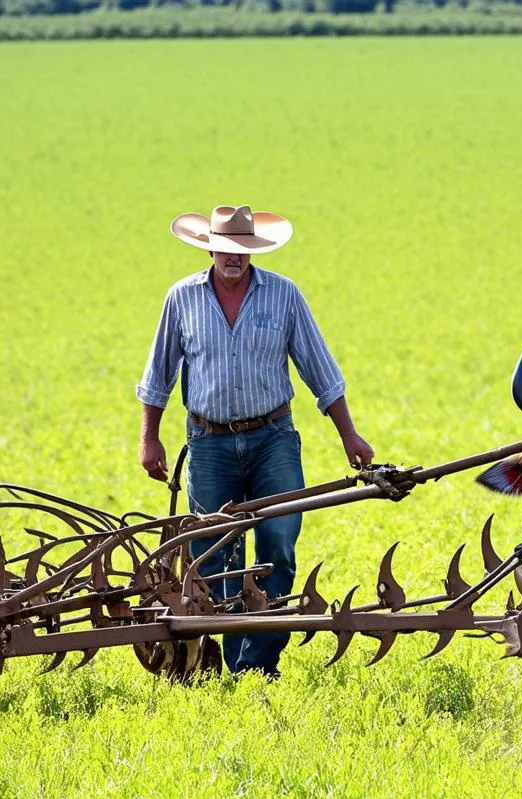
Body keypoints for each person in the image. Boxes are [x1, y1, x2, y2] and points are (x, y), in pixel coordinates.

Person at [137, 204, 374, 678]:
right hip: (208, 442)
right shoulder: (182, 299)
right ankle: (232, 657)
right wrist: (150, 439)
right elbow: (157, 374)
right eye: (226, 248)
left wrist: (348, 433)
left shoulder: (283, 296)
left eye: (243, 249)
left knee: (278, 542)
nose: (234, 257)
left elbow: (319, 369)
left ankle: (257, 664)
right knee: (214, 554)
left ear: (253, 251)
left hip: (273, 438)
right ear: (209, 247)